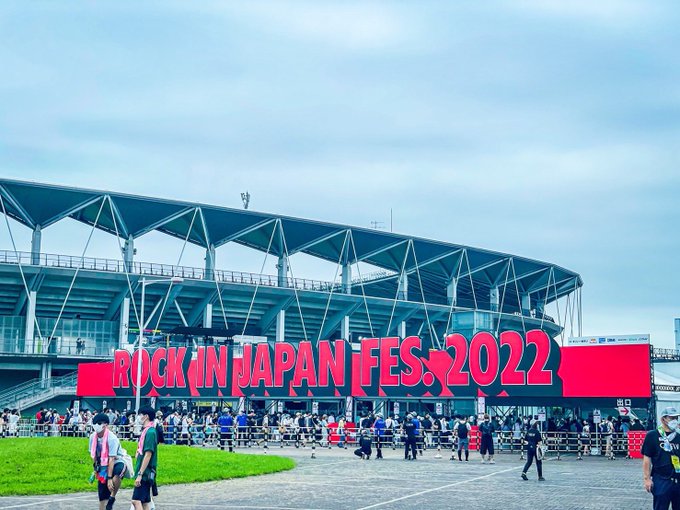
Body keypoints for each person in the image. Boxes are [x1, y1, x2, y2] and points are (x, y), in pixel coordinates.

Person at [642, 406, 680, 509]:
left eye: (676, 418)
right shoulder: (652, 436)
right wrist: (647, 479)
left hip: (677, 479)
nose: (675, 420)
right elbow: (647, 459)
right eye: (672, 418)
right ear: (663, 419)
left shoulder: (678, 436)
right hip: (661, 479)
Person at [88, 413, 127, 510]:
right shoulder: (93, 437)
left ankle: (112, 496)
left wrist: (109, 478)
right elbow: (94, 454)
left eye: (99, 423)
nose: (96, 425)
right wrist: (96, 469)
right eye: (94, 423)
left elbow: (112, 459)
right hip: (102, 464)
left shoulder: (112, 438)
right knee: (102, 497)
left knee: (116, 475)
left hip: (116, 461)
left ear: (105, 425)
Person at [132, 406, 158, 510]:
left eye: (140, 415)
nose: (138, 417)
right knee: (145, 502)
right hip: (145, 473)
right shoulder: (146, 431)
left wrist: (140, 474)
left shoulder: (150, 432)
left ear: (146, 416)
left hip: (145, 474)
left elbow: (148, 454)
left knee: (136, 501)